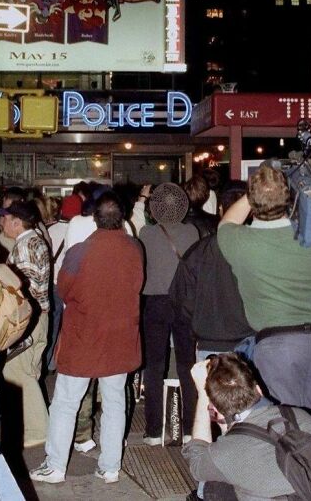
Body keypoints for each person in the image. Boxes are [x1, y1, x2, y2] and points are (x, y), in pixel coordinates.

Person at [218, 164, 311, 438]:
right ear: (289, 198)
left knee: (289, 433)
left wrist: (256, 192)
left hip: (277, 347)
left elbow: (227, 222)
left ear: (252, 201)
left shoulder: (238, 241)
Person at [31, 191, 144, 485]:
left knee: (66, 402)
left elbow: (64, 290)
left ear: (94, 219)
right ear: (123, 219)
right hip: (120, 338)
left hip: (83, 339)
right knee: (115, 402)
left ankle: (55, 466)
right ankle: (110, 467)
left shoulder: (79, 252)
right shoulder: (135, 248)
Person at [182, 353, 311, 501]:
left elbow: (197, 461)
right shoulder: (301, 415)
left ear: (215, 411)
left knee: (212, 489)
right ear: (259, 390)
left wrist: (203, 395)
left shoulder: (227, 453)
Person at [140, 182, 200, 444]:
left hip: (155, 301)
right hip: (185, 302)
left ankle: (154, 431)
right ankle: (189, 429)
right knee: (187, 364)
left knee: (154, 365)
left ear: (155, 209)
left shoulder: (146, 233)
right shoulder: (192, 232)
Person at [170, 180, 254, 360]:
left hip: (210, 343)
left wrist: (197, 323)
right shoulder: (262, 249)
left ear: (222, 210)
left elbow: (181, 298)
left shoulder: (199, 251)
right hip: (251, 341)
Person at [0, 199, 51, 450]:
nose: (2, 222)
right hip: (40, 317)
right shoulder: (34, 240)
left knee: (18, 373)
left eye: (5, 218)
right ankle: (35, 428)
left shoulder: (26, 246)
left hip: (29, 319)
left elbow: (25, 289)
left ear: (17, 223)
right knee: (29, 371)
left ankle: (38, 430)